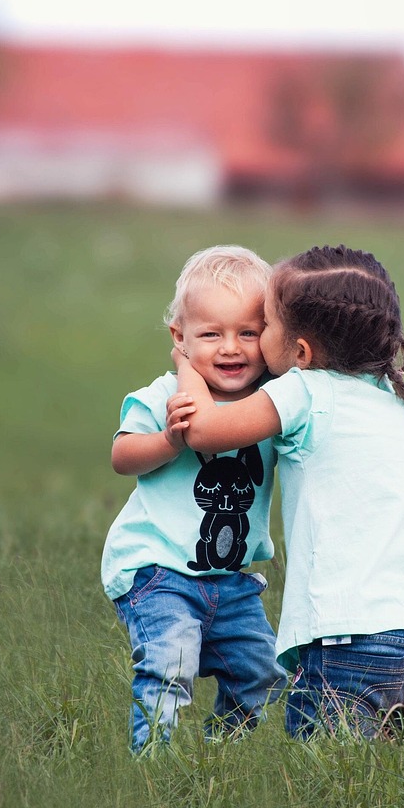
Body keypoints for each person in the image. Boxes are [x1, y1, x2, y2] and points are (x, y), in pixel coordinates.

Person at [168, 244, 404, 740]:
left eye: (265, 325)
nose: (255, 342)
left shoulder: (304, 391)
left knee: (324, 794)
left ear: (300, 353)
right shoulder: (393, 398)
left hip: (347, 640)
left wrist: (186, 359)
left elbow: (202, 430)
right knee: (372, 791)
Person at [101, 245, 286, 753]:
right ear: (179, 338)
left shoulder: (271, 403)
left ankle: (219, 757)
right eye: (211, 334)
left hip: (232, 582)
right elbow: (122, 455)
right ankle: (153, 769)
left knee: (262, 677)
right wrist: (169, 440)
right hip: (158, 570)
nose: (232, 348)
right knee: (170, 664)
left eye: (248, 332)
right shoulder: (165, 395)